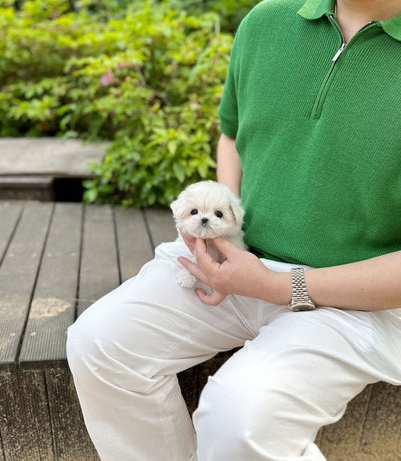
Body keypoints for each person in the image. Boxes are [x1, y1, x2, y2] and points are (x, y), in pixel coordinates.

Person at [66, 0, 401, 459]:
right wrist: (224, 234)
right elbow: (232, 132)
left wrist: (276, 285)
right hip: (242, 259)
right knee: (100, 345)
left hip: (363, 304)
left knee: (237, 418)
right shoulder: (266, 22)